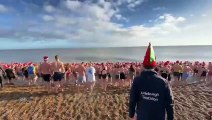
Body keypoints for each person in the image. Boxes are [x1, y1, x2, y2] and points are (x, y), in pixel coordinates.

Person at [129, 43, 174, 120]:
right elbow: (169, 102)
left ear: (143, 65)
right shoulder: (163, 82)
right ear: (155, 65)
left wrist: (131, 113)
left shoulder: (137, 80)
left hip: (142, 115)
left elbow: (133, 99)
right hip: (158, 116)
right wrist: (170, 117)